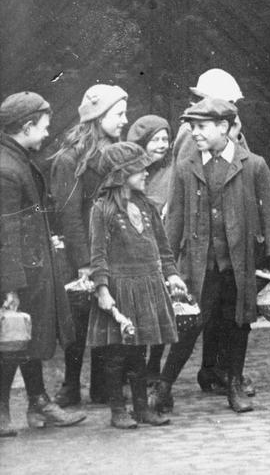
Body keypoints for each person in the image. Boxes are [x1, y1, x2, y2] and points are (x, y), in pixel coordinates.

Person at [156, 97, 270, 413]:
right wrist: (169, 267)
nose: (194, 133)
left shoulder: (253, 165)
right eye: (192, 126)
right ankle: (163, 387)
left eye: (201, 127)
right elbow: (174, 220)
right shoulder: (186, 168)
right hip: (200, 266)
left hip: (240, 264)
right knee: (189, 324)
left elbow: (269, 215)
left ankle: (234, 386)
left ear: (224, 127)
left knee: (238, 323)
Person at [0, 92, 86, 437]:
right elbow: (5, 231)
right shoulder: (7, 169)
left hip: (29, 268)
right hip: (18, 273)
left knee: (27, 337)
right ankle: (3, 413)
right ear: (26, 126)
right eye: (44, 126)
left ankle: (38, 404)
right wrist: (10, 286)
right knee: (10, 339)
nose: (48, 133)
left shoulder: (16, 159)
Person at [87, 142, 185, 428]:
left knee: (139, 352)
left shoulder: (146, 205)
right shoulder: (102, 209)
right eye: (138, 168)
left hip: (147, 286)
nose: (145, 173)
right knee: (117, 353)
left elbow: (163, 248)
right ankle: (118, 410)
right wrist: (102, 289)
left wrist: (172, 274)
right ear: (121, 173)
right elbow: (98, 255)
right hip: (119, 289)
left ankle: (141, 408)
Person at [172, 69, 254, 396]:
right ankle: (166, 378)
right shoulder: (194, 132)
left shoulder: (227, 127)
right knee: (198, 312)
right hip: (203, 236)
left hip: (226, 239)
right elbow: (188, 180)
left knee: (222, 314)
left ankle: (215, 370)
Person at [50, 84, 129, 406]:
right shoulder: (70, 160)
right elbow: (69, 217)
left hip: (112, 252)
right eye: (119, 113)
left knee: (107, 316)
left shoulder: (116, 154)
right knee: (78, 324)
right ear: (98, 117)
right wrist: (84, 263)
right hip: (82, 256)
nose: (125, 120)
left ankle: (102, 386)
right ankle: (70, 386)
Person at [127, 115, 173, 382]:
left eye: (165, 139)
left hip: (163, 247)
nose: (162, 144)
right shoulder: (131, 173)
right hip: (137, 249)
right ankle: (135, 365)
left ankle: (154, 364)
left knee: (160, 309)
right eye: (155, 139)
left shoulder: (175, 170)